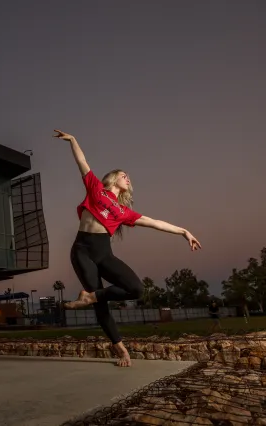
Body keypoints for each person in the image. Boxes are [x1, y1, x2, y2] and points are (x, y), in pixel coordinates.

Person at [54, 129, 202, 367]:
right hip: (82, 251)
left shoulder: (125, 213)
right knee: (100, 307)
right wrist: (73, 140)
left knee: (136, 289)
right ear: (112, 179)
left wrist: (184, 231)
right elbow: (81, 161)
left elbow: (155, 223)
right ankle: (121, 349)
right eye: (124, 175)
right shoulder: (96, 189)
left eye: (128, 177)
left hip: (103, 254)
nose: (128, 177)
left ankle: (91, 296)